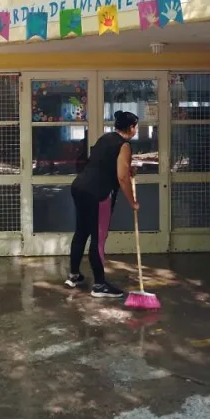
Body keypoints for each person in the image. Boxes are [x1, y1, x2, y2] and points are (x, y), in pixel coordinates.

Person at [65, 110, 139, 298]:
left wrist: (128, 168)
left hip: (80, 187)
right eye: (136, 126)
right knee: (98, 238)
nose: (136, 129)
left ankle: (73, 275)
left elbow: (104, 164)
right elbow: (122, 178)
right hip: (97, 193)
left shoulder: (105, 138)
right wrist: (133, 202)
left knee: (81, 232)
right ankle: (99, 285)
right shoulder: (124, 145)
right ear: (131, 127)